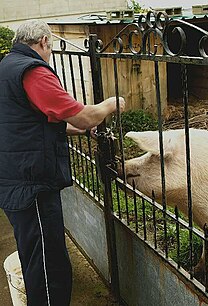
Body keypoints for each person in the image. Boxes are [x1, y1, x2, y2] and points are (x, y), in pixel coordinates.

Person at [0, 19, 125, 306]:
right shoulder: (31, 72)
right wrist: (111, 104)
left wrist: (82, 130)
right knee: (49, 267)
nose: (51, 53)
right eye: (51, 48)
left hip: (13, 177)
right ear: (43, 42)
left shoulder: (7, 66)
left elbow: (36, 121)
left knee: (38, 258)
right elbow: (82, 114)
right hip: (30, 185)